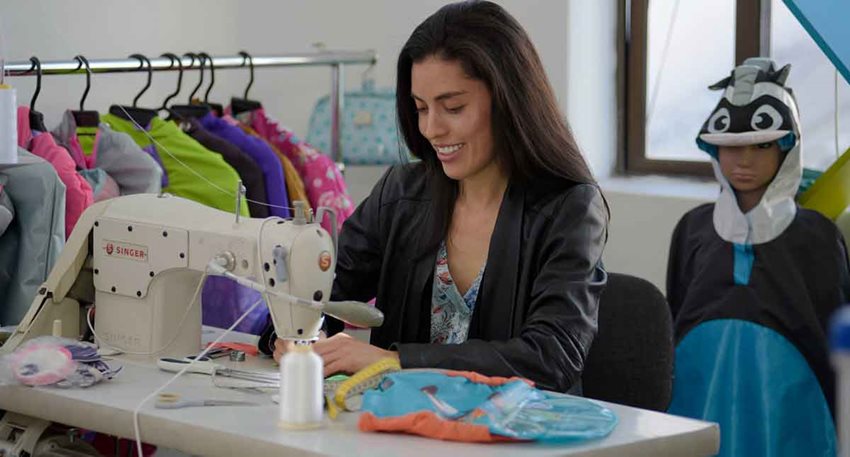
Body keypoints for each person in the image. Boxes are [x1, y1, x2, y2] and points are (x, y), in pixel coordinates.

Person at [260, 0, 608, 393]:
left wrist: (397, 362)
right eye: (420, 108)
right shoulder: (401, 193)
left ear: (509, 101)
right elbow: (319, 292)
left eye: (453, 107)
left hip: (517, 439)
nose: (431, 128)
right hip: (403, 431)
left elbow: (552, 357)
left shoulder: (569, 208)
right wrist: (290, 335)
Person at [666, 57, 850, 456]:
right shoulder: (693, 229)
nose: (743, 160)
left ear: (788, 145)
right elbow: (674, 316)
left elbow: (833, 336)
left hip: (793, 405)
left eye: (761, 144)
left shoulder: (817, 237)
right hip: (699, 395)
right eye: (730, 146)